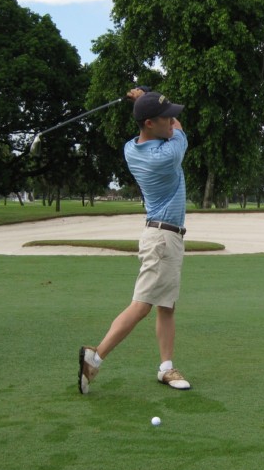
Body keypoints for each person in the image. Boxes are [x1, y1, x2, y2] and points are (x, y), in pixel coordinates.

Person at [79, 87, 191, 394]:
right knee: (142, 306)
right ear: (150, 124)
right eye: (166, 118)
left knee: (165, 305)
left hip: (165, 235)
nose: (172, 121)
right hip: (162, 239)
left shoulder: (131, 147)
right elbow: (179, 132)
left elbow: (160, 124)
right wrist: (147, 97)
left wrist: (146, 99)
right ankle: (95, 358)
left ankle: (166, 368)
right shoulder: (167, 155)